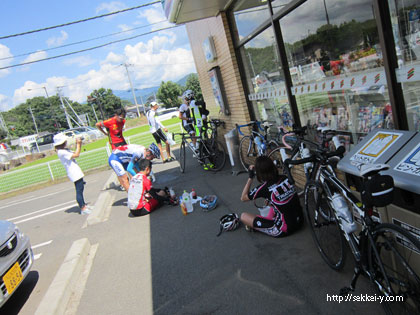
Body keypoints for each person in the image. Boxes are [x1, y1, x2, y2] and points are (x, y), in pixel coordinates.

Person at [240, 156, 303, 237]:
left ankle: (261, 225)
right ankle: (268, 220)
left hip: (284, 229)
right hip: (300, 221)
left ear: (259, 173)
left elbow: (243, 197)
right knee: (272, 204)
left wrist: (250, 177)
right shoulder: (285, 178)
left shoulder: (263, 188)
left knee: (243, 216)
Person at [53, 133, 91, 215]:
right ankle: (83, 208)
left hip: (76, 171)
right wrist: (78, 144)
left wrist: (77, 144)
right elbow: (76, 154)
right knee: (79, 190)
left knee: (81, 188)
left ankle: (84, 205)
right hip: (74, 172)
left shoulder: (64, 150)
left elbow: (75, 152)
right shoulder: (62, 152)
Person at [179, 90, 212, 170]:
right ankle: (196, 149)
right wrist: (190, 118)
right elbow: (180, 116)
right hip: (192, 124)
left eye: (186, 98)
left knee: (200, 141)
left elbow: (202, 104)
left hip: (197, 124)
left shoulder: (193, 103)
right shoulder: (186, 105)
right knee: (197, 138)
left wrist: (203, 114)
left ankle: (199, 153)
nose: (186, 100)